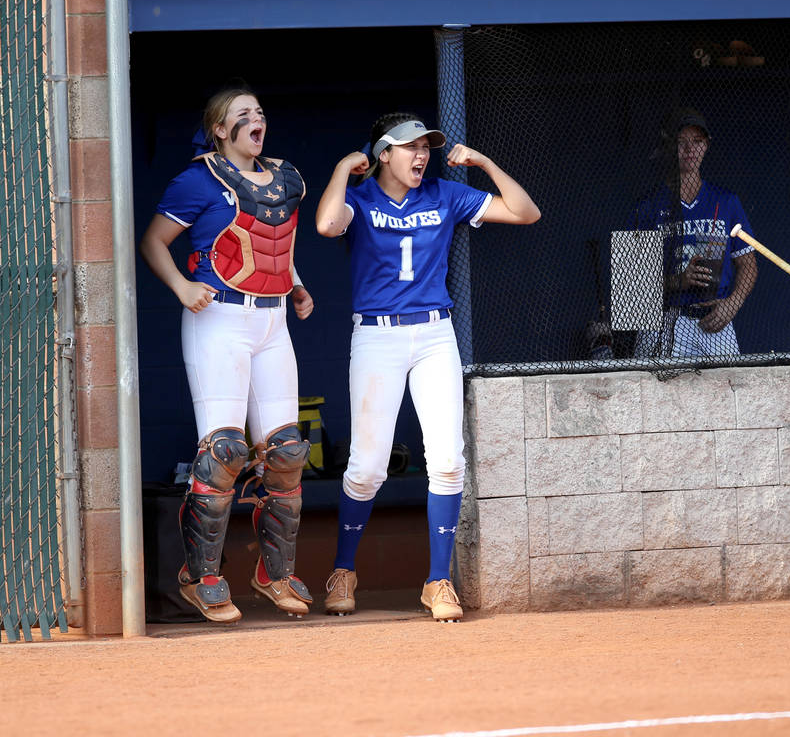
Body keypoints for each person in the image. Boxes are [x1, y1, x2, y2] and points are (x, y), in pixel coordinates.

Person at [315, 112, 540, 621]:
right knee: (368, 466)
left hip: (436, 333)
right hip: (377, 334)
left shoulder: (443, 193)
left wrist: (483, 162)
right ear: (383, 154)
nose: (421, 155)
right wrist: (340, 170)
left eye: (425, 147)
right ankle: (344, 569)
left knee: (447, 459)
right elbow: (327, 224)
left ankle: (438, 581)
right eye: (408, 147)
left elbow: (526, 213)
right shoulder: (360, 196)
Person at [140, 86, 316, 622]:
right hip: (217, 317)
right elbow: (153, 241)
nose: (255, 119)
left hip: (272, 318)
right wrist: (180, 288)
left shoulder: (285, 177)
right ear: (220, 128)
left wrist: (298, 285)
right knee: (223, 453)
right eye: (243, 115)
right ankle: (201, 577)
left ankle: (275, 574)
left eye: (260, 112)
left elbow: (274, 242)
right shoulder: (198, 179)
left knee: (286, 452)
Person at [631, 108, 757, 358]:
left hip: (715, 321)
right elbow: (632, 288)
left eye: (697, 142)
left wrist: (733, 303)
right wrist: (679, 279)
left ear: (707, 146)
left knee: (729, 391)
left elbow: (748, 264)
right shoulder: (647, 205)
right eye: (681, 142)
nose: (690, 150)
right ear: (667, 147)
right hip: (665, 322)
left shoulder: (726, 201)